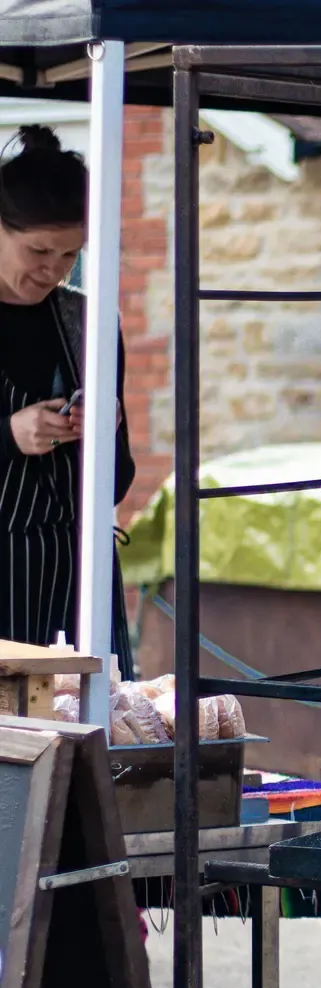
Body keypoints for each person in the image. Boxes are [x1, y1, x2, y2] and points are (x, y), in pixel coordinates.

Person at [0, 125, 135, 669]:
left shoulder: (89, 321)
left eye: (69, 254)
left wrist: (105, 433)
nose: (53, 270)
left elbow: (116, 484)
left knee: (94, 736)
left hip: (78, 579)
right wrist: (9, 434)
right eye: (38, 250)